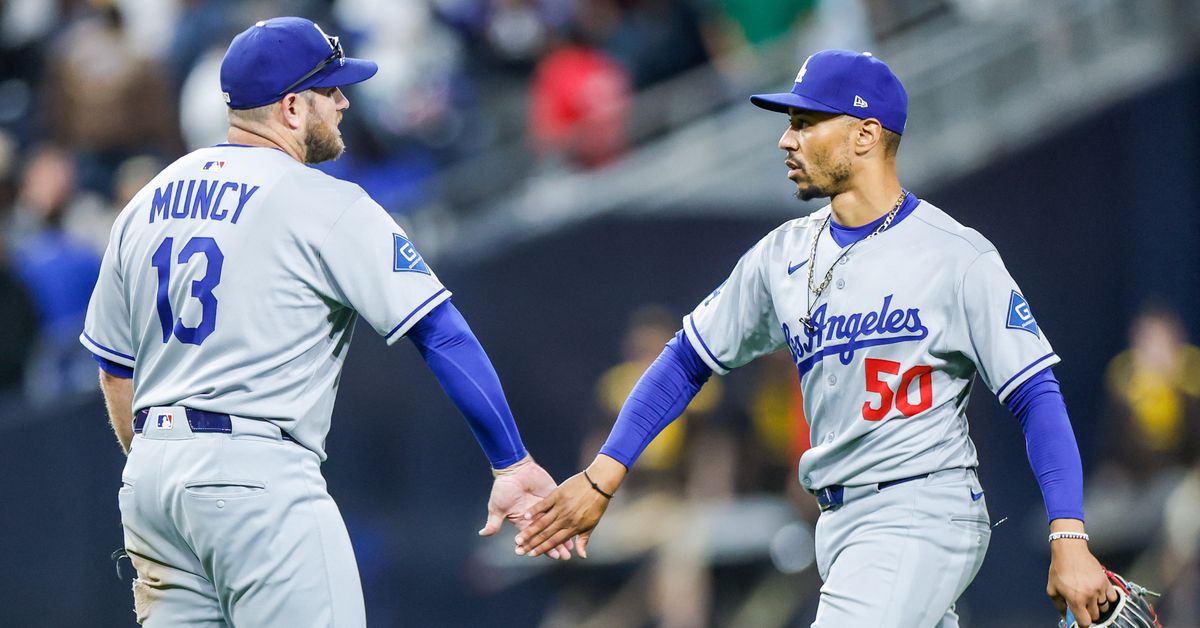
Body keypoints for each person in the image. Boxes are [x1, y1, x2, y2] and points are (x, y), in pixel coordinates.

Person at [515, 49, 1116, 626]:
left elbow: (1035, 393)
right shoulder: (781, 254)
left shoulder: (955, 256)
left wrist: (1068, 535)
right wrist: (603, 476)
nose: (786, 139)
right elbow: (686, 359)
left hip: (920, 512)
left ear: (865, 134)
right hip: (839, 525)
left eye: (805, 122)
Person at [80, 17, 570, 627]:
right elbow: (441, 333)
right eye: (330, 89)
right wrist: (512, 462)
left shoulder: (146, 201)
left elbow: (113, 372)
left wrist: (161, 461)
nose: (343, 101)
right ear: (290, 107)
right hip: (255, 478)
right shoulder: (323, 202)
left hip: (152, 484)